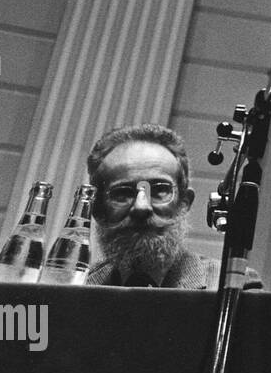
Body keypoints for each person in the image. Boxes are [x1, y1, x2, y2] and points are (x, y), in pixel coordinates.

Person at [83, 124, 230, 289]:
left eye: (160, 189)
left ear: (184, 203)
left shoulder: (233, 288)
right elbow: (45, 313)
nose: (141, 207)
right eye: (123, 193)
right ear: (97, 209)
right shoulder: (65, 290)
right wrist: (47, 298)